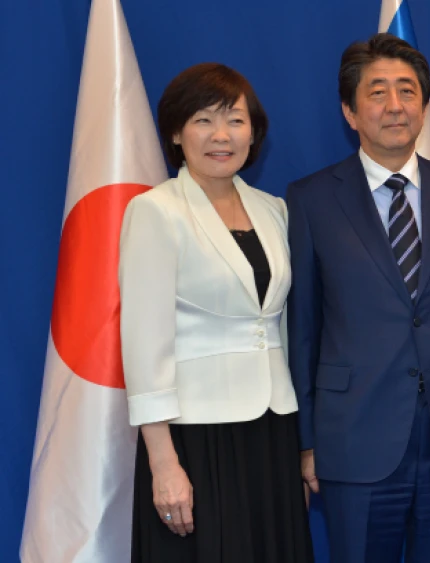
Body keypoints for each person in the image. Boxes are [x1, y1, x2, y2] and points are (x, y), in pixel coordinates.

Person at [285, 33, 430, 563]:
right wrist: (306, 440)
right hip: (353, 438)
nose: (395, 105)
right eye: (377, 92)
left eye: (407, 91)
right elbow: (303, 328)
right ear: (350, 111)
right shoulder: (311, 199)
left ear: (424, 106)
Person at [119, 63, 312, 562]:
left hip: (271, 428)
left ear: (254, 133)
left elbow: (280, 324)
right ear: (175, 133)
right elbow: (143, 343)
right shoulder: (156, 211)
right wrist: (163, 463)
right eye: (203, 120)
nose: (221, 135)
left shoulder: (274, 209)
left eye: (235, 120)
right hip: (196, 436)